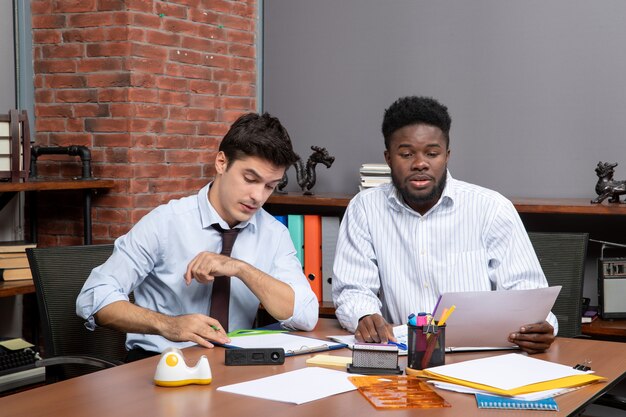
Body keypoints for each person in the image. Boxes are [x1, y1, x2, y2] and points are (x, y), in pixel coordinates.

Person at [77, 112, 319, 361]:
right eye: (250, 179)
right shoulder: (166, 222)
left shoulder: (273, 233)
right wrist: (169, 325)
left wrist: (239, 268)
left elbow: (306, 315)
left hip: (232, 365)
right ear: (221, 163)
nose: (258, 196)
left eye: (270, 186)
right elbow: (94, 296)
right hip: (159, 363)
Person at [332, 96, 557, 354]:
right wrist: (364, 315)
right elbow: (353, 289)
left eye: (432, 153)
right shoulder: (364, 208)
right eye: (406, 154)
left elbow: (528, 296)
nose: (420, 163)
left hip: (483, 359)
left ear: (447, 156)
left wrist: (540, 327)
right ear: (388, 158)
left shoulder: (492, 208)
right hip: (406, 360)